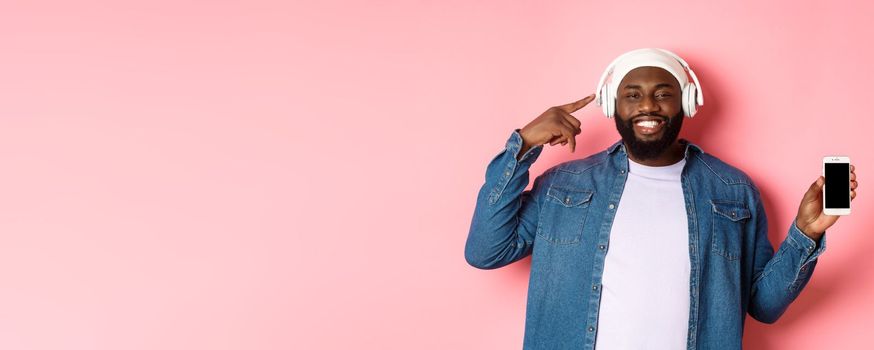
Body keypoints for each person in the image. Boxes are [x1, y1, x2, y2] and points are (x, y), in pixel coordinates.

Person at [464, 48, 859, 349]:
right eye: (632, 94)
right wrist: (522, 147)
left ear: (686, 102)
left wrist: (805, 234)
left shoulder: (732, 190)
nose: (648, 105)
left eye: (663, 93)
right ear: (611, 105)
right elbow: (486, 250)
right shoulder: (564, 184)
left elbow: (764, 307)